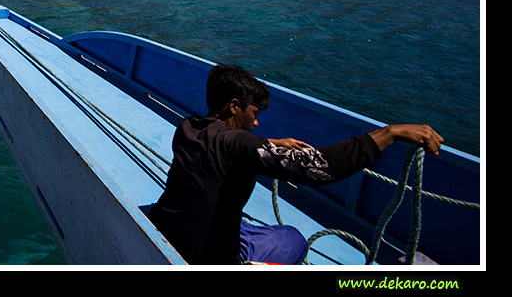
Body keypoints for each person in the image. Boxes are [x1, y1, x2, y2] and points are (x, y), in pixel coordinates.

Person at [147, 63, 443, 265]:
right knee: (293, 238)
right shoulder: (239, 146)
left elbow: (229, 143)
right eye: (254, 112)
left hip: (170, 228)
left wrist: (272, 144)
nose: (257, 121)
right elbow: (319, 166)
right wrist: (391, 133)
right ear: (235, 106)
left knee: (245, 227)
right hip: (207, 257)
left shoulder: (188, 128)